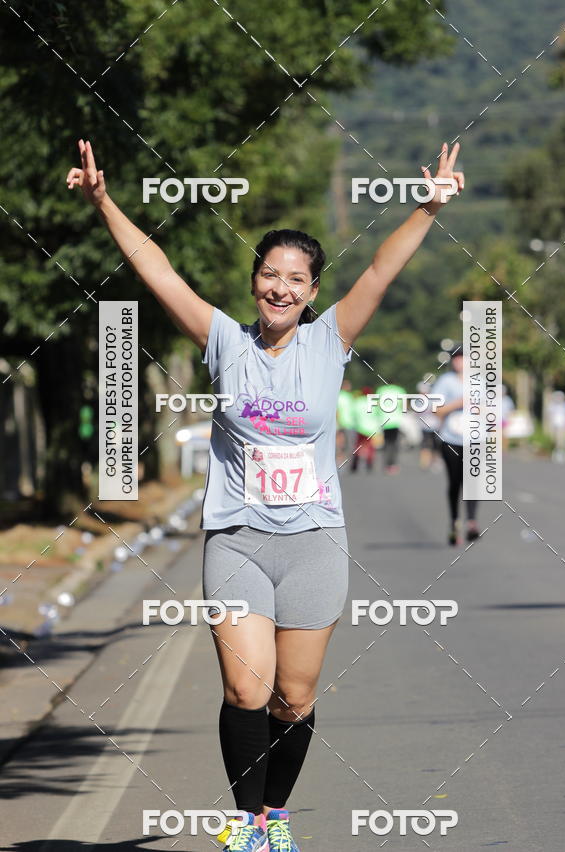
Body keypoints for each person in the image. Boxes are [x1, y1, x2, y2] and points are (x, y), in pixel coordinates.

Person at [67, 138, 464, 851]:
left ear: (313, 291)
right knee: (248, 691)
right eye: (269, 275)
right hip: (237, 539)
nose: (280, 288)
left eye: (296, 279)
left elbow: (381, 268)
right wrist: (103, 203)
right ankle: (247, 825)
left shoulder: (331, 341)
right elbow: (155, 270)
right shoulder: (225, 341)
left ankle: (276, 814)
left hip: (314, 542)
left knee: (294, 697)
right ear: (255, 284)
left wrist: (427, 208)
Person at [431, 345, 479, 545]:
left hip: (475, 439)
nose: (459, 361)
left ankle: (472, 522)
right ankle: (454, 521)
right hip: (450, 439)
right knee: (455, 482)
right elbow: (436, 410)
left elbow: (492, 410)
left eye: (463, 357)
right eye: (456, 358)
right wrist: (457, 404)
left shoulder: (480, 382)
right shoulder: (445, 382)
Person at [374, 382, 406, 473]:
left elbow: (377, 405)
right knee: (394, 443)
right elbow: (403, 405)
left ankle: (386, 464)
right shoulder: (400, 390)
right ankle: (393, 464)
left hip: (384, 420)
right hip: (396, 421)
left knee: (387, 443)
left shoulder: (380, 390)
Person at [416, 378, 441, 470]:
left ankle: (435, 461)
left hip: (435, 425)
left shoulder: (433, 399)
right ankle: (425, 462)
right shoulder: (418, 401)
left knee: (436, 444)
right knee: (425, 444)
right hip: (424, 426)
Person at [548, 390, 565, 463]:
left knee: (563, 440)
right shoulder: (552, 405)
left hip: (563, 425)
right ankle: (556, 453)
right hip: (555, 426)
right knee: (555, 440)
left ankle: (562, 453)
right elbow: (550, 416)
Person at [336, 378, 355, 464]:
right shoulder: (339, 395)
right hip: (342, 423)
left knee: (349, 444)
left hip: (350, 423)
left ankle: (345, 458)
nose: (349, 387)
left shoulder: (350, 396)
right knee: (342, 443)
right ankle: (341, 457)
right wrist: (339, 422)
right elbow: (337, 410)